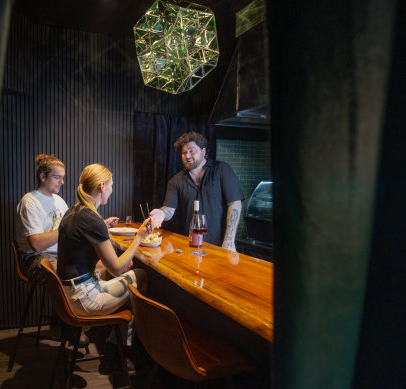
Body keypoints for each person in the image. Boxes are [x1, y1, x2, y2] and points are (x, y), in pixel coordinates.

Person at [56, 163, 151, 374]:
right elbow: (117, 268)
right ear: (101, 186)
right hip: (83, 299)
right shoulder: (91, 219)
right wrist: (140, 236)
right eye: (111, 185)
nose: (112, 189)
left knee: (128, 273)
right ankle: (122, 352)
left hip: (69, 293)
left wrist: (104, 228)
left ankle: (117, 349)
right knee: (141, 276)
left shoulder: (75, 211)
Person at [150, 131, 244, 252]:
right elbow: (169, 209)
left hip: (219, 246)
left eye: (191, 151)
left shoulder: (222, 170)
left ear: (203, 151)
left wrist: (229, 241)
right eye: (184, 152)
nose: (187, 156)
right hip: (190, 246)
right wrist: (161, 213)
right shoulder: (176, 180)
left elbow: (235, 204)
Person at [14, 154, 68, 283]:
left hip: (60, 255)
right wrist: (69, 229)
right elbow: (37, 245)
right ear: (43, 176)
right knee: (70, 275)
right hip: (35, 258)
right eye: (57, 177)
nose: (62, 182)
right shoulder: (29, 202)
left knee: (94, 266)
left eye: (62, 178)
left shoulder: (59, 201)